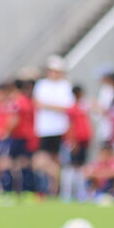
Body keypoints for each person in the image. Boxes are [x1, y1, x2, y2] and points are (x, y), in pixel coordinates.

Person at [31, 56, 75, 197]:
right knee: (41, 160)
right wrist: (54, 106)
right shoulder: (42, 85)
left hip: (60, 128)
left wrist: (48, 105)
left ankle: (56, 190)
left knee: (57, 159)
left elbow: (67, 106)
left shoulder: (65, 86)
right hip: (44, 129)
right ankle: (56, 180)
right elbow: (38, 103)